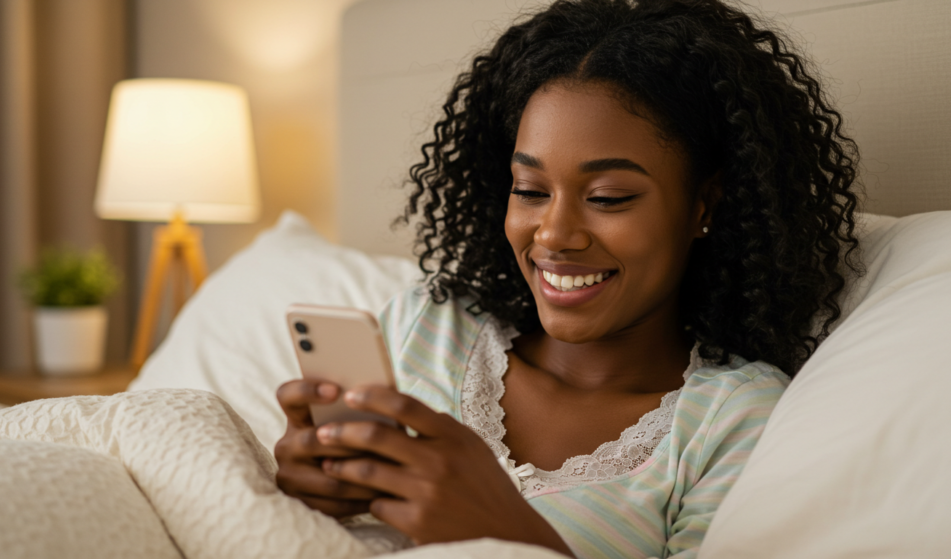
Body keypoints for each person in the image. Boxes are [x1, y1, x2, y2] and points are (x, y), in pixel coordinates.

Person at [274, 0, 861, 557]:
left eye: (608, 197)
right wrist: (301, 489)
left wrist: (506, 534)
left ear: (703, 207)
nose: (553, 235)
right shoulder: (425, 326)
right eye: (529, 191)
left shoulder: (731, 420)